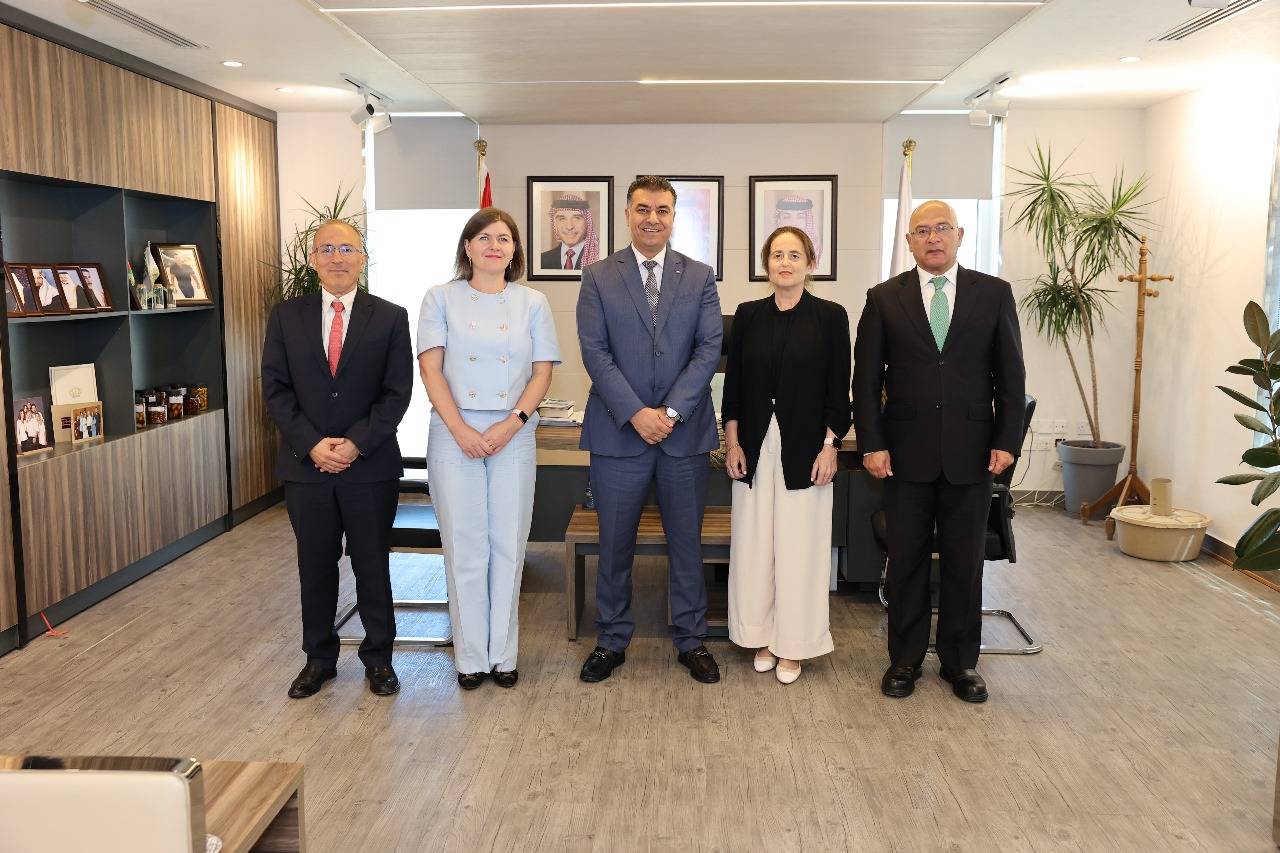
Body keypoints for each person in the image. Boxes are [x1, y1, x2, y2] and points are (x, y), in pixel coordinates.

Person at [852, 200, 1025, 704]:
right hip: (904, 456)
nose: (933, 237)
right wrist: (873, 443)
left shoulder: (994, 294)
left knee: (964, 563)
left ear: (960, 235)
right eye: (922, 230)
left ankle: (959, 662)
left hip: (972, 454)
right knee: (905, 560)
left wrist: (1006, 440)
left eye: (941, 228)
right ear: (909, 241)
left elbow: (1011, 376)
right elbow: (866, 383)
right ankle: (904, 659)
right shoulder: (884, 298)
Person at [576, 175, 723, 684]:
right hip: (619, 434)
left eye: (662, 210)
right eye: (643, 209)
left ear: (674, 216)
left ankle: (691, 639)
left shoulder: (699, 276)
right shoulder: (598, 276)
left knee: (686, 545)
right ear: (628, 214)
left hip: (684, 435)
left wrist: (672, 412)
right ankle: (611, 639)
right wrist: (637, 413)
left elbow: (709, 349)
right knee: (614, 545)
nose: (652, 218)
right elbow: (595, 352)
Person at [262, 219, 413, 700]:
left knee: (372, 564)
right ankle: (319, 660)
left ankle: (379, 659)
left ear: (362, 258)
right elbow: (275, 389)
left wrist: (355, 444)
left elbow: (397, 393)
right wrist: (311, 444)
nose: (337, 257)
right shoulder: (286, 316)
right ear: (313, 260)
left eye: (347, 248)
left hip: (369, 466)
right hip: (306, 468)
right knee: (315, 566)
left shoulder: (390, 317)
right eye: (326, 248)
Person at [417, 208, 560, 690]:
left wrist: (513, 422)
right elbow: (431, 369)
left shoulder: (533, 302)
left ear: (514, 250)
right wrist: (460, 428)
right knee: (465, 545)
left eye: (503, 238)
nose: (493, 246)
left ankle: (504, 654)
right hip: (453, 430)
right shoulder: (439, 298)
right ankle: (470, 658)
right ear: (467, 246)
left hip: (513, 431)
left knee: (508, 544)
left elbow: (542, 372)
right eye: (483, 237)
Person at [722, 226, 850, 685]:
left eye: (795, 255)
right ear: (766, 264)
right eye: (777, 255)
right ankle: (761, 636)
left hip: (808, 450)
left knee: (801, 549)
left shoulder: (831, 317)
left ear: (810, 264)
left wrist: (831, 446)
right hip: (754, 447)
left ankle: (794, 643)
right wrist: (733, 442)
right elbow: (733, 388)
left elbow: (839, 390)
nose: (785, 263)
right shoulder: (747, 316)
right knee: (755, 547)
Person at [540, 194, 599, 272]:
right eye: (562, 219)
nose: (569, 226)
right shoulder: (542, 260)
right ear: (555, 224)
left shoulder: (599, 258)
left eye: (577, 218)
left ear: (587, 222)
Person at [773, 195, 823, 265]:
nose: (794, 223)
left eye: (800, 217)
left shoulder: (815, 247)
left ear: (807, 220)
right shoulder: (772, 245)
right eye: (787, 217)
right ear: (779, 220)